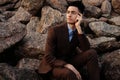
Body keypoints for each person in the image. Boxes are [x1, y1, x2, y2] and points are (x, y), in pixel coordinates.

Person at [38, 1, 100, 80]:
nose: (69, 15)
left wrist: (79, 29)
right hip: (53, 66)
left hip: (69, 61)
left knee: (92, 53)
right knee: (69, 73)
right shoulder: (54, 31)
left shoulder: (79, 29)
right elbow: (48, 57)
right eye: (68, 12)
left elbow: (86, 49)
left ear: (79, 16)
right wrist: (66, 65)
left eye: (73, 13)